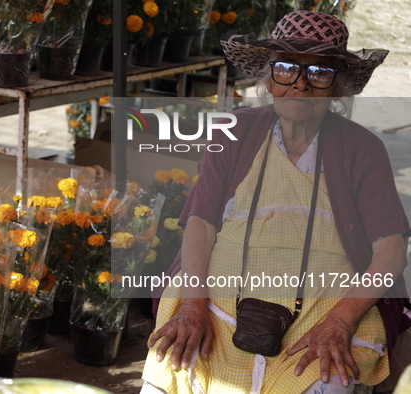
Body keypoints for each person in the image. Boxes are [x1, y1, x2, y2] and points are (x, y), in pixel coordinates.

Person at [142, 11, 411, 394]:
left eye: (320, 73)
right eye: (286, 69)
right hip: (217, 300)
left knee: (326, 379)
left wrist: (340, 323)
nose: (301, 84)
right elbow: (200, 223)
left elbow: (391, 251)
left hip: (326, 308)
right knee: (175, 368)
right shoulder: (235, 131)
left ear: (339, 87)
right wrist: (192, 305)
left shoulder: (362, 148)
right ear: (268, 79)